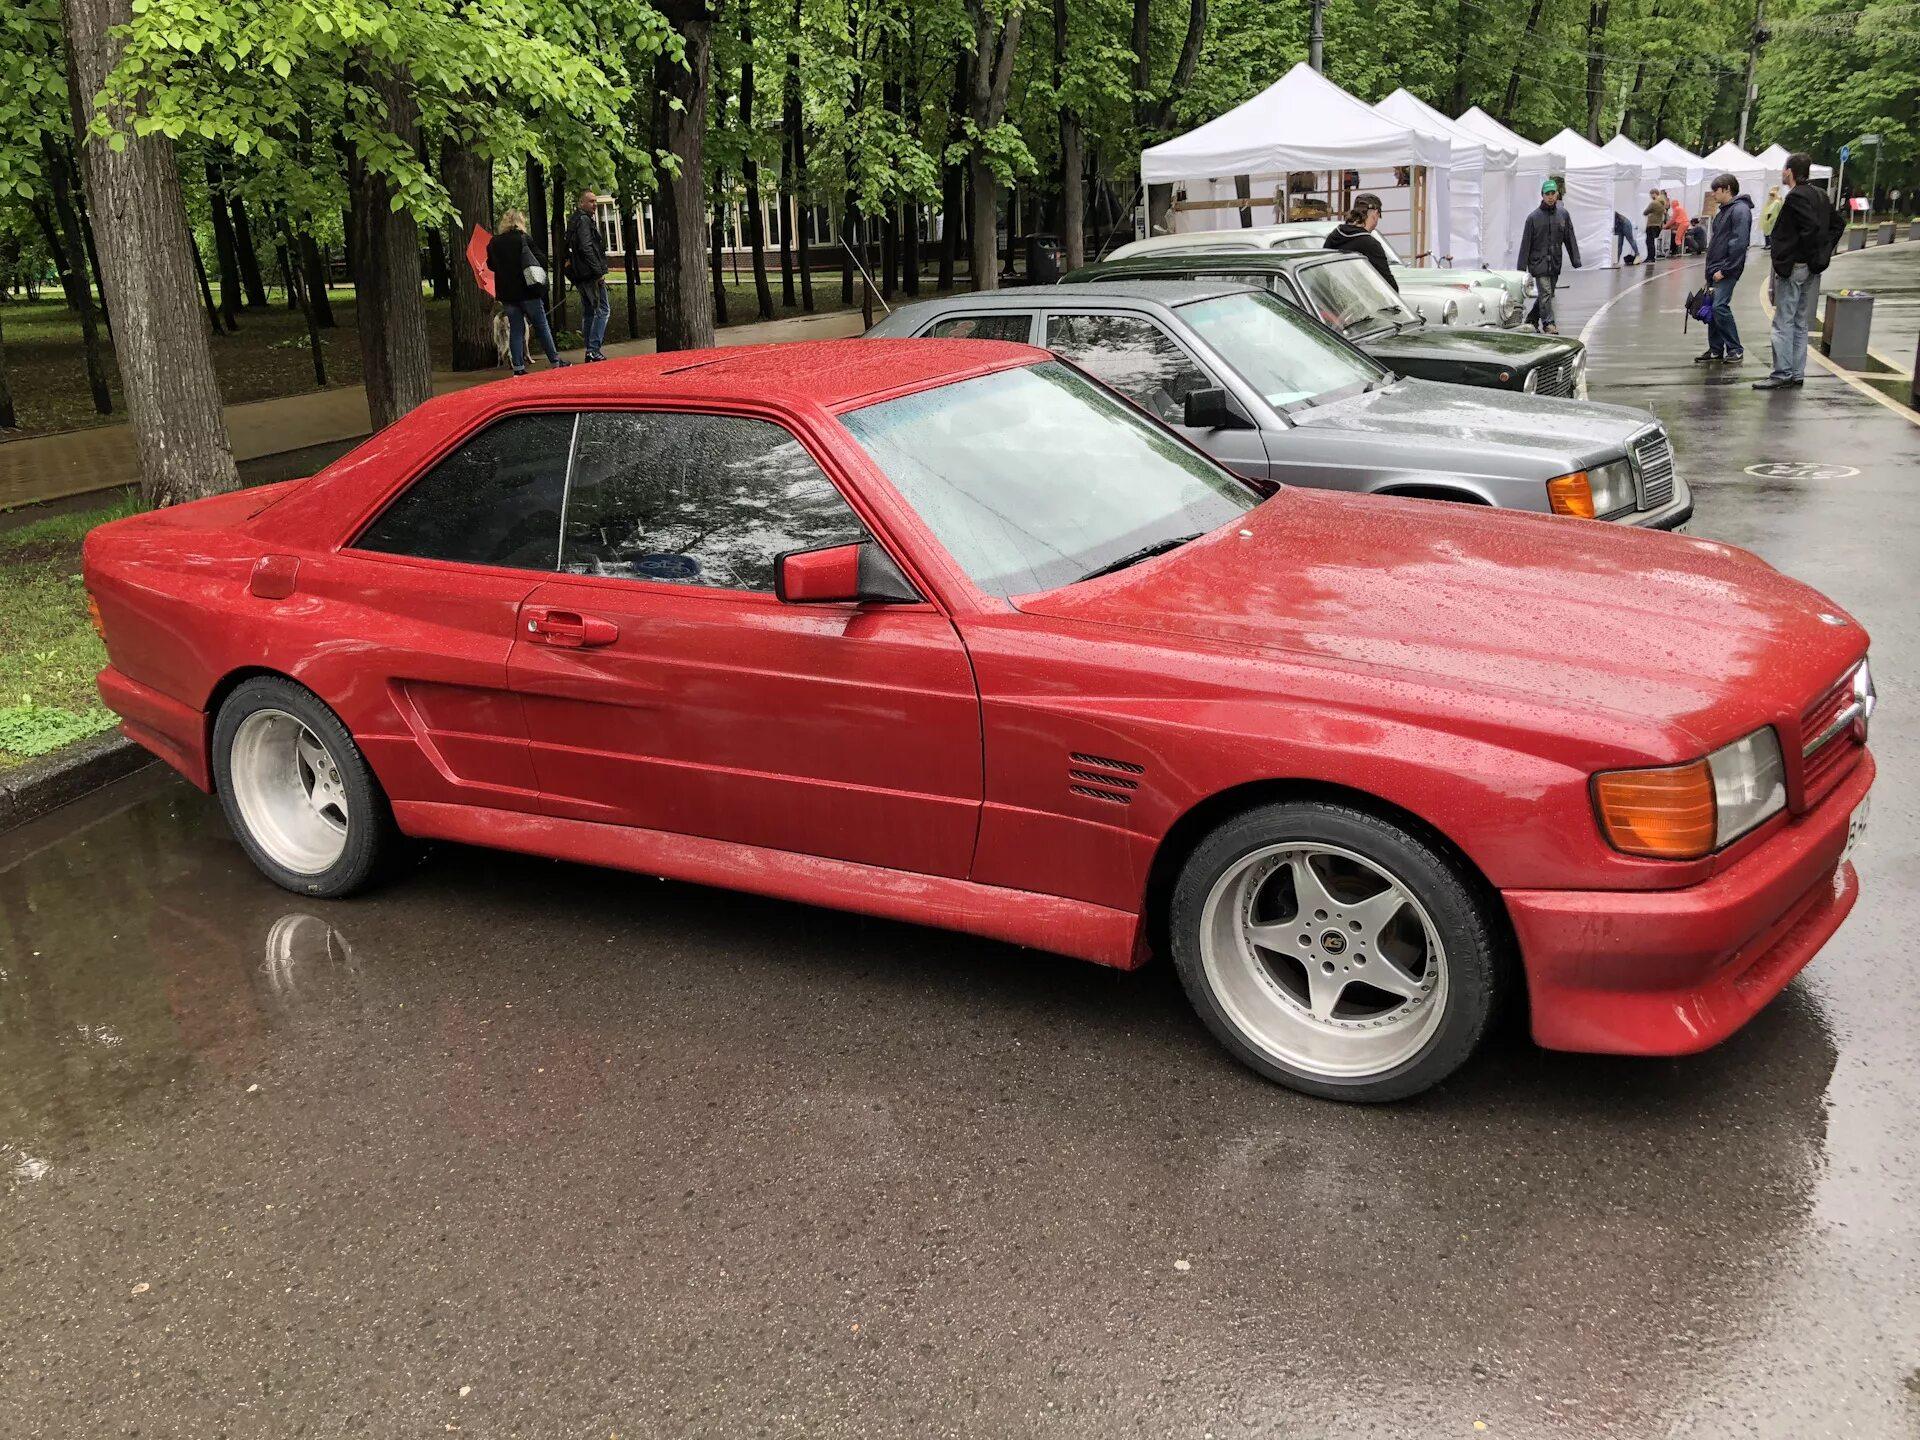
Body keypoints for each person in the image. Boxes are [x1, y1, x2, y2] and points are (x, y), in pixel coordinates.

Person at [1756, 152, 1843, 390]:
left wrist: (1792, 256)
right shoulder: (1820, 194)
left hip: (1795, 266)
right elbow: (1837, 224)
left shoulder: (1796, 197)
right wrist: (1822, 254)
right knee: (1800, 320)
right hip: (1811, 268)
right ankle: (1796, 371)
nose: (1782, 174)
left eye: (1784, 170)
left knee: (1783, 320)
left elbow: (1809, 229)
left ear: (1789, 171)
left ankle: (1782, 372)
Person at [486, 210, 569, 376]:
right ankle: (555, 361)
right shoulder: (524, 239)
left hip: (507, 294)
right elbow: (541, 259)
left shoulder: (494, 242)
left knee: (516, 329)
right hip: (528, 291)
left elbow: (491, 265)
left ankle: (518, 367)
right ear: (520, 222)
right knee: (541, 326)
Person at [1696, 173, 1752, 366]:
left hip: (1725, 269)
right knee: (1712, 307)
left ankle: (1735, 348)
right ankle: (1716, 349)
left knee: (1719, 306)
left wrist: (1727, 269)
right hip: (1716, 268)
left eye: (1716, 190)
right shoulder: (1725, 212)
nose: (1713, 194)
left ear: (1727, 189)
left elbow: (1739, 243)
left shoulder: (1739, 210)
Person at [1518, 179, 1580, 333]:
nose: (1551, 196)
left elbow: (1570, 238)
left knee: (1548, 294)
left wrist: (1575, 259)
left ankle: (1531, 319)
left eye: (1553, 193)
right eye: (1547, 194)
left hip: (1555, 262)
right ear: (1542, 195)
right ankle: (1548, 324)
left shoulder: (1563, 215)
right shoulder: (1533, 218)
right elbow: (1525, 243)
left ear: (1557, 194)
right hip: (1538, 263)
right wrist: (1521, 268)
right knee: (1545, 293)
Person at [567, 189, 612, 363]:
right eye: (591, 201)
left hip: (579, 273)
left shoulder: (574, 221)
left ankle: (589, 349)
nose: (595, 205)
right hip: (590, 274)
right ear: (582, 203)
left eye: (595, 201)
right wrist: (598, 272)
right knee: (603, 310)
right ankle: (593, 349)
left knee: (588, 312)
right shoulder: (584, 221)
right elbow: (587, 247)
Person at [1324, 195, 1399, 291]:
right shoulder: (1371, 244)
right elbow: (1390, 286)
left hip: (1332, 295)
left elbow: (1323, 273)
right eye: (1378, 216)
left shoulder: (1334, 236)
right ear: (1375, 214)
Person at [1644, 189, 1669, 260]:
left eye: (1651, 194)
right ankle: (1652, 257)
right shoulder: (1662, 203)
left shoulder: (1654, 203)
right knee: (1651, 241)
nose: (1650, 196)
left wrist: (1650, 213)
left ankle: (1650, 257)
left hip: (1652, 224)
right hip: (1658, 224)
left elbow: (1645, 212)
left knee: (1649, 241)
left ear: (1654, 194)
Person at [1666, 194, 1689, 258]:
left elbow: (1673, 220)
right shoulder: (1680, 208)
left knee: (1677, 238)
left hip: (1682, 223)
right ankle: (1679, 251)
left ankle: (1678, 252)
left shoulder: (1676, 209)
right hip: (1685, 223)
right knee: (1679, 237)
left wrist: (1666, 226)